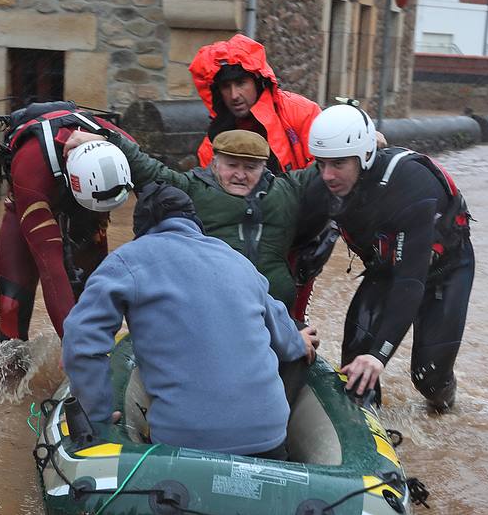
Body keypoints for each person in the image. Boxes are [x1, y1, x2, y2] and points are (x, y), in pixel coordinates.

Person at [62, 184, 318, 458]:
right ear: (195, 222)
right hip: (268, 439)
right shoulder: (236, 259)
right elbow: (282, 331)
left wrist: (96, 416)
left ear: (141, 228)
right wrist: (297, 339)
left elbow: (81, 339)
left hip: (186, 445)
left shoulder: (127, 260)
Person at [297, 104, 476, 411]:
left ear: (364, 157)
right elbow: (294, 250)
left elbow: (410, 282)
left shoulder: (412, 186)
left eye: (338, 164)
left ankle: (447, 410)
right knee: (355, 365)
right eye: (321, 163)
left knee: (428, 378)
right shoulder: (322, 186)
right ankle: (367, 424)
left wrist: (379, 355)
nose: (327, 175)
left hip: (443, 273)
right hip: (385, 268)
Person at [65, 126, 303, 310]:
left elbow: (325, 173)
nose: (240, 175)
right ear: (215, 163)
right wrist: (108, 140)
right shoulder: (190, 188)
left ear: (264, 167)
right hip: (214, 311)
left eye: (250, 167)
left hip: (275, 309)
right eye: (232, 165)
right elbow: (148, 170)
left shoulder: (287, 191)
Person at [0, 102, 134, 346]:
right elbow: (51, 269)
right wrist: (75, 347)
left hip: (86, 207)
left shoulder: (124, 145)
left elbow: (162, 197)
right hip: (29, 203)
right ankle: (6, 378)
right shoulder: (31, 169)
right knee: (12, 309)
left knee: (92, 292)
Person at [189, 34, 321, 174]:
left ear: (257, 82)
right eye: (226, 86)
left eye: (241, 83)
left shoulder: (302, 112)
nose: (234, 95)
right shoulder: (212, 142)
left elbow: (322, 173)